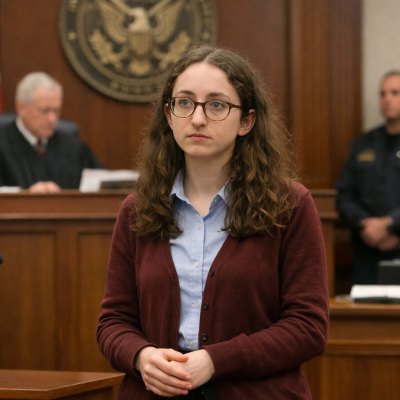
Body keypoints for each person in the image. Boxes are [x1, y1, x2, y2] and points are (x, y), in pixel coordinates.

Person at [96, 45, 329, 400]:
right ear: (169, 115)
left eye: (217, 105)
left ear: (247, 121)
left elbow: (308, 327)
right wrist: (141, 357)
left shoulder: (289, 205)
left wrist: (215, 361)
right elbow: (113, 322)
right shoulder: (137, 210)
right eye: (185, 103)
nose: (197, 119)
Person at [336, 71, 400, 284]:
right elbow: (344, 195)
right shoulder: (362, 144)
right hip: (366, 253)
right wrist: (369, 226)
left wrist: (390, 224)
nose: (387, 99)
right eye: (383, 93)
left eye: (395, 93)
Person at [0, 72, 102, 192]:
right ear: (21, 107)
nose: (52, 119)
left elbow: (101, 186)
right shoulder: (2, 145)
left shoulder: (72, 147)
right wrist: (25, 196)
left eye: (56, 111)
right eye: (44, 111)